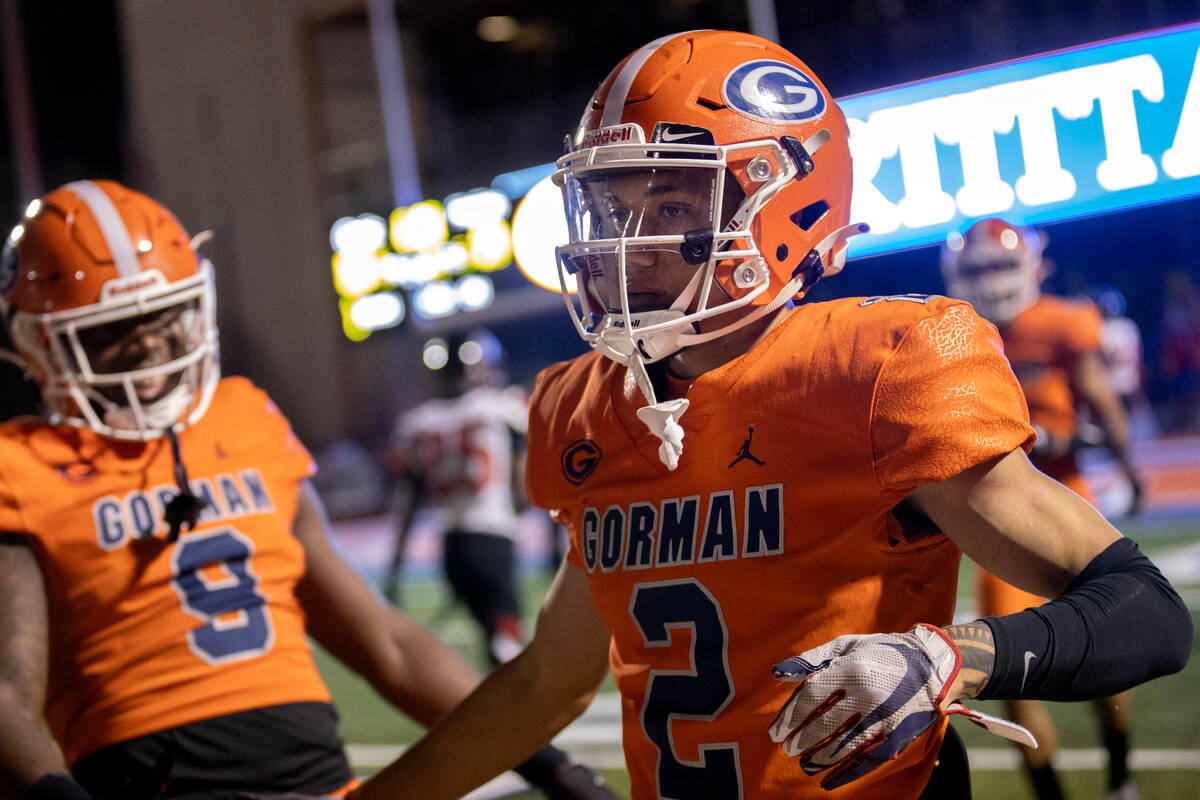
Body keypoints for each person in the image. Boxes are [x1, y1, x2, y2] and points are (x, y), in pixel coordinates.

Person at [353, 31, 1192, 800]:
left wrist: (949, 657)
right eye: (612, 209)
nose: (627, 243)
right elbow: (550, 680)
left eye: (672, 207)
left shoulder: (875, 368)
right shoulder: (587, 405)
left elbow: (1146, 610)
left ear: (788, 204)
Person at [0, 180, 616, 800]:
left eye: (163, 316)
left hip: (320, 785)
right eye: (113, 330)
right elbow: (5, 697)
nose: (151, 344)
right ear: (39, 343)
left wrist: (553, 768)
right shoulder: (19, 465)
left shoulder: (245, 419)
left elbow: (387, 643)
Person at [940, 219, 1147, 800]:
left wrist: (1117, 461)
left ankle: (1121, 777)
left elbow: (1101, 404)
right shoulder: (951, 334)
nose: (992, 280)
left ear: (1034, 267)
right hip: (997, 521)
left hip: (1068, 506)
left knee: (1109, 657)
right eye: (979, 269)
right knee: (1012, 677)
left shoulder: (1062, 323)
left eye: (1001, 266)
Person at [384, 329, 533, 665]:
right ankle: (512, 712)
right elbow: (523, 481)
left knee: (491, 638)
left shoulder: (418, 423)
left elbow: (409, 500)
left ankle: (500, 709)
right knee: (507, 644)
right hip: (491, 539)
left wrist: (396, 566)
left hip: (452, 546)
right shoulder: (500, 409)